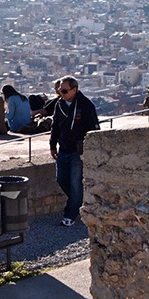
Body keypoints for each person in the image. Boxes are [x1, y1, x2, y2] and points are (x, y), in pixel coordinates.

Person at [49, 76, 100, 227]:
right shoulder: (59, 104)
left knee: (76, 183)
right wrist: (52, 145)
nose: (61, 93)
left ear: (74, 89)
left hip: (78, 151)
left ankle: (69, 215)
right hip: (63, 148)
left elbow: (94, 130)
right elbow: (55, 126)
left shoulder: (85, 105)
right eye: (60, 90)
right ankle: (78, 203)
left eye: (64, 90)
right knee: (61, 179)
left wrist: (88, 148)